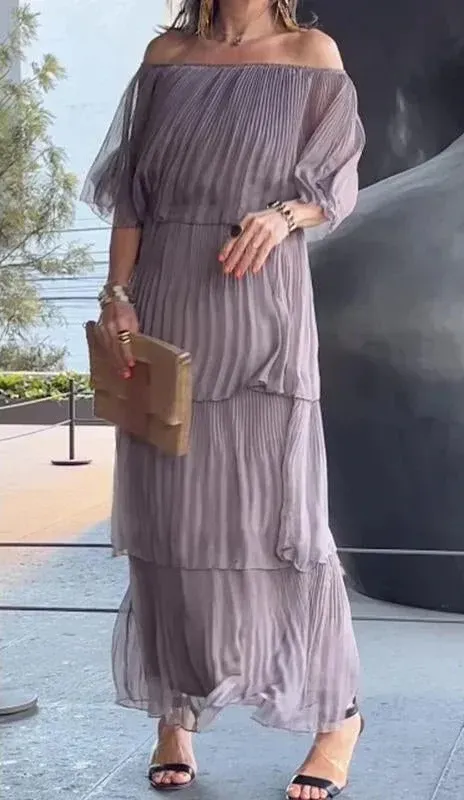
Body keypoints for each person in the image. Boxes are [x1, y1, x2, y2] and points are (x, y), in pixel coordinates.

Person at [82, 0, 366, 796]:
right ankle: (174, 714)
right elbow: (134, 195)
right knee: (169, 518)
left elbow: (335, 183)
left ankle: (337, 716)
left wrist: (283, 216)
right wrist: (117, 295)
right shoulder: (166, 58)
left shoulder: (311, 54)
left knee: (283, 520)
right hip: (166, 303)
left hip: (260, 309)